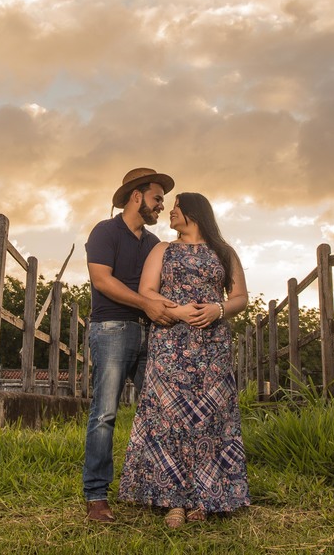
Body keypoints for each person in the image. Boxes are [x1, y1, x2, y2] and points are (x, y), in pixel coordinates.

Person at [118, 191, 251, 528]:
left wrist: (218, 309)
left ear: (194, 211)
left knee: (211, 417)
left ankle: (205, 497)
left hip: (212, 344)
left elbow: (240, 297)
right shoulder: (163, 249)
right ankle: (173, 500)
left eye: (176, 207)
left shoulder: (224, 252)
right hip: (170, 340)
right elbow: (147, 291)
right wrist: (177, 311)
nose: (170, 213)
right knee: (169, 417)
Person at [83, 167, 179, 523]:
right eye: (157, 198)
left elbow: (159, 289)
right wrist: (145, 305)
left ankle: (157, 490)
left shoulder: (154, 244)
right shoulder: (105, 231)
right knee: (105, 413)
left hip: (149, 332)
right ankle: (96, 496)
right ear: (136, 196)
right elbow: (102, 280)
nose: (161, 206)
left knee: (158, 412)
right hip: (111, 328)